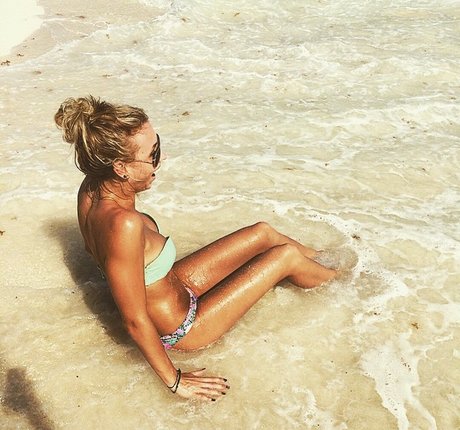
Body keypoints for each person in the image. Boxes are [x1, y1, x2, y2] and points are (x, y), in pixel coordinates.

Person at [54, 96, 337, 402]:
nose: (160, 159)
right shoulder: (123, 224)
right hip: (184, 328)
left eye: (158, 146)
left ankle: (332, 263)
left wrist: (144, 276)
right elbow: (134, 320)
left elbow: (95, 250)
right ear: (121, 167)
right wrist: (176, 381)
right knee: (284, 257)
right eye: (153, 154)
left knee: (263, 233)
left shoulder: (92, 187)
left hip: (177, 285)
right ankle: (345, 284)